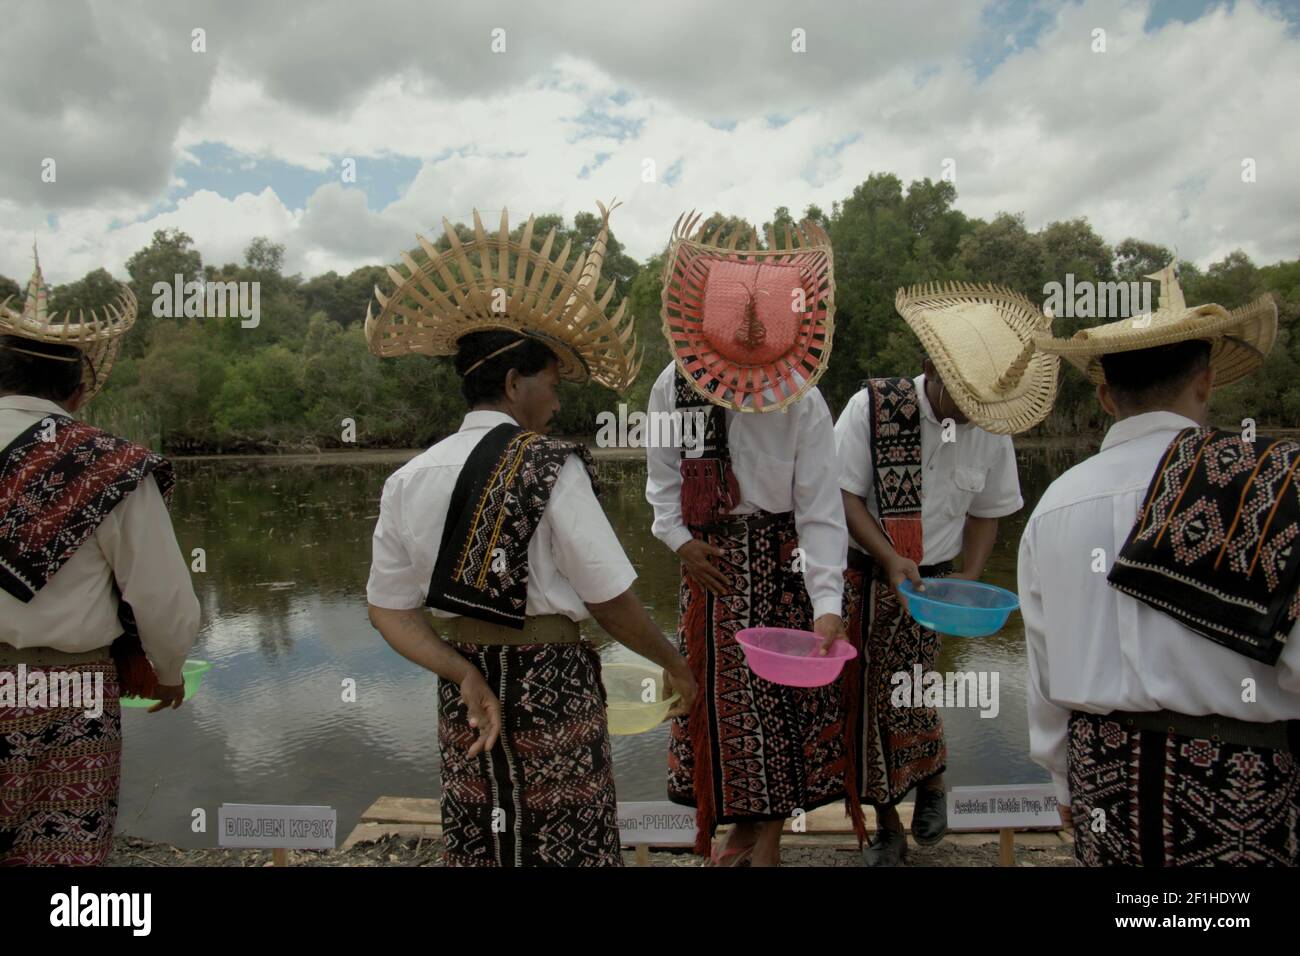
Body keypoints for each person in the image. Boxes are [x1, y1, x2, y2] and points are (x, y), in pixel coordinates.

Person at [364, 202, 695, 867]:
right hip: (554, 686)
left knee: (481, 838)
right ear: (515, 382)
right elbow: (608, 600)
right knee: (565, 843)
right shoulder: (552, 464)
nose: (559, 399)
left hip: (466, 694)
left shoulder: (407, 480)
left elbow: (388, 610)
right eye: (551, 381)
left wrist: (461, 671)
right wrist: (675, 663)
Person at [1024, 265, 1298, 866]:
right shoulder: (1266, 484)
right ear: (1204, 383)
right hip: (1240, 781)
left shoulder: (1054, 505)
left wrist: (1060, 775)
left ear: (1104, 395)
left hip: (1102, 780)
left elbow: (1044, 668)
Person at [648, 213, 852, 867]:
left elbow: (821, 510)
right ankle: (740, 836)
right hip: (709, 566)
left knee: (781, 718)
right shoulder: (671, 387)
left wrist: (827, 602)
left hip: (785, 566)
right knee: (711, 708)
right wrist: (679, 540)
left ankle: (760, 844)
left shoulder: (803, 398)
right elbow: (660, 487)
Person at [835, 282, 1058, 865]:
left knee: (913, 693)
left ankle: (932, 782)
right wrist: (888, 557)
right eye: (960, 396)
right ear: (930, 366)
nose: (969, 412)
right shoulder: (874, 406)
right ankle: (888, 825)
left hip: (931, 588)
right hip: (865, 577)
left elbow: (989, 512)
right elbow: (844, 497)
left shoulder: (991, 423)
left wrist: (967, 582)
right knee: (865, 707)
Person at [0, 248, 200, 866]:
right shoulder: (108, 462)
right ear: (80, 391)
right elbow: (163, 598)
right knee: (61, 862)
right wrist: (166, 670)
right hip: (67, 691)